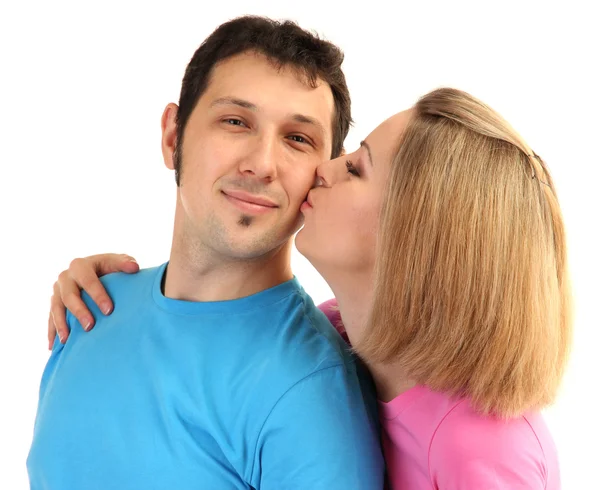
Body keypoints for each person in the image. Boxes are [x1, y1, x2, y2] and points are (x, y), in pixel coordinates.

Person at [51, 87, 572, 489]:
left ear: (415, 231)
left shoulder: (484, 445)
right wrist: (107, 293)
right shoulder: (334, 335)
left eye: (358, 166)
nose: (325, 169)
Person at [27, 15, 385, 490]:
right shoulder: (87, 307)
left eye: (298, 139)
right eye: (235, 122)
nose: (261, 164)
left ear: (322, 175)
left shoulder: (313, 396)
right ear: (173, 137)